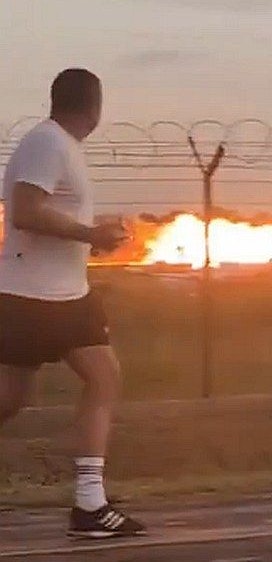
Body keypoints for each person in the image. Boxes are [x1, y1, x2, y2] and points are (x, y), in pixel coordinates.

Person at [0, 69, 146, 538]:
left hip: (63, 294)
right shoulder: (49, 143)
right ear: (94, 106)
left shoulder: (58, 145)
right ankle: (88, 505)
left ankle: (90, 502)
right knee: (21, 394)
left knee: (34, 391)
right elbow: (24, 211)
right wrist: (90, 234)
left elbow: (48, 210)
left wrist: (96, 232)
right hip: (35, 296)